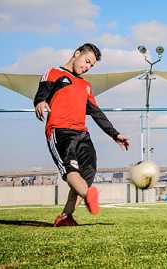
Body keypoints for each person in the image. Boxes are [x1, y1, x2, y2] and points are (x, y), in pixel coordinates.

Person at [34, 43, 129, 227]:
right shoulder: (54, 72)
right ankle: (88, 195)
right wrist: (40, 102)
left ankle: (65, 217)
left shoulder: (85, 85)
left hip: (83, 135)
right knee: (70, 169)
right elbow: (42, 93)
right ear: (77, 53)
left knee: (88, 173)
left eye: (91, 66)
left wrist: (115, 135)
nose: (87, 67)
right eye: (87, 61)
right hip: (60, 131)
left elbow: (96, 112)